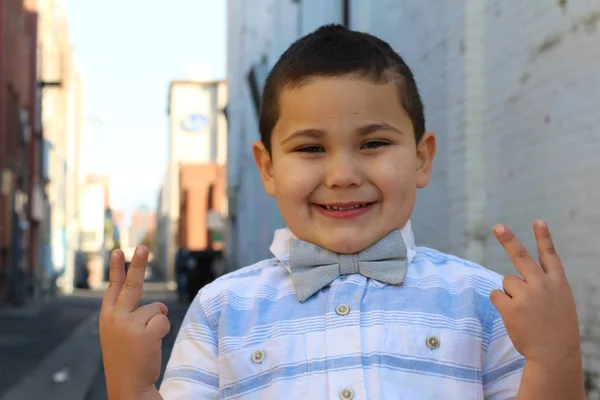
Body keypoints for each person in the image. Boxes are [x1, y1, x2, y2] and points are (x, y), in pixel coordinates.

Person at [98, 24, 584, 399]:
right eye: (311, 148)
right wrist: (132, 386)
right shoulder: (221, 309)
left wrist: (554, 356)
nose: (343, 174)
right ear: (267, 168)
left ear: (421, 158)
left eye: (373, 143)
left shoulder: (484, 302)